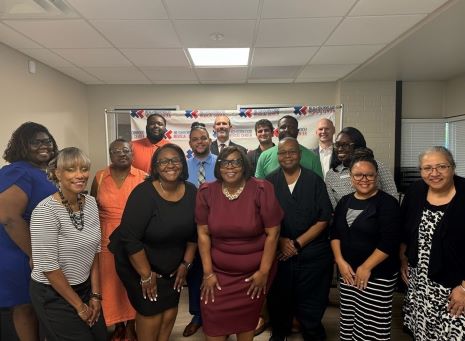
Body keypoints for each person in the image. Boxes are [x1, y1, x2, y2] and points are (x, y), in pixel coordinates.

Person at [109, 143, 197, 341]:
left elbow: (194, 234)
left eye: (175, 160)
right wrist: (146, 275)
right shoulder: (143, 193)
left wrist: (185, 264)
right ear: (155, 167)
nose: (170, 165)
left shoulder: (192, 192)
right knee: (152, 312)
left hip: (171, 263)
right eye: (163, 161)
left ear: (183, 164)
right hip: (136, 262)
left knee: (169, 310)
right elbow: (130, 239)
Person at [196, 146, 283, 340]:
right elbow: (202, 233)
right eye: (225, 162)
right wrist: (208, 273)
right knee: (213, 326)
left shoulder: (262, 189)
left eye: (236, 162)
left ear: (244, 165)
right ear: (218, 166)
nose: (230, 167)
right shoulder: (206, 191)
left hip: (253, 277)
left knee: (245, 328)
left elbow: (273, 233)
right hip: (217, 274)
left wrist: (263, 272)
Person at [29, 147, 106, 341]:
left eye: (84, 169)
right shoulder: (45, 211)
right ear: (57, 173)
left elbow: (95, 252)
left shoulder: (90, 203)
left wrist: (95, 295)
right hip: (53, 293)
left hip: (85, 287)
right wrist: (79, 307)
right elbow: (49, 268)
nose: (80, 175)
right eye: (71, 169)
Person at [266, 137, 333, 341]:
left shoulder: (314, 181)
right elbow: (262, 219)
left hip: (312, 252)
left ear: (300, 154)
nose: (287, 156)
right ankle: (279, 332)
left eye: (292, 152)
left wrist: (296, 243)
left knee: (312, 300)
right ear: (277, 156)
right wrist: (280, 241)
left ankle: (312, 331)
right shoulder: (269, 182)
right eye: (282, 152)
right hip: (279, 251)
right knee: (278, 298)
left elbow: (324, 219)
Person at [330, 148, 401, 341]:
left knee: (372, 324)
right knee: (349, 320)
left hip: (377, 276)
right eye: (358, 175)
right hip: (347, 274)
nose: (364, 179)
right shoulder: (344, 202)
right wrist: (340, 262)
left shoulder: (387, 204)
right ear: (351, 178)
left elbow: (390, 241)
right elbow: (335, 233)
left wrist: (365, 267)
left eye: (369, 175)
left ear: (376, 176)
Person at [0, 122, 58, 341]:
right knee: (24, 306)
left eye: (47, 141)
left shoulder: (42, 172)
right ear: (23, 146)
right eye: (36, 142)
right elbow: (8, 217)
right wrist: (36, 254)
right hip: (19, 251)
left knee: (35, 307)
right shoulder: (17, 171)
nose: (44, 146)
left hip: (34, 250)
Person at [400, 146, 465, 340]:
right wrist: (403, 259)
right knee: (424, 331)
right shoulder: (416, 190)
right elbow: (405, 230)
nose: (434, 173)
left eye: (441, 167)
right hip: (421, 282)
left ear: (453, 167)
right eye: (427, 168)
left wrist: (463, 288)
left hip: (455, 286)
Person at [90, 139, 146, 340]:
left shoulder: (143, 177)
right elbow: (92, 208)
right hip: (106, 238)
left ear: (132, 153)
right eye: (116, 151)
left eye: (125, 150)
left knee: (131, 283)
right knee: (111, 284)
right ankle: (118, 325)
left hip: (134, 237)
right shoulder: (100, 176)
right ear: (110, 154)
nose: (121, 154)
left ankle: (131, 325)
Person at [183, 122, 217, 337]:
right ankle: (198, 315)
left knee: (217, 270)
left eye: (203, 138)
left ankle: (216, 313)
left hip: (217, 226)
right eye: (195, 139)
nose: (200, 142)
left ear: (210, 140)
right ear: (190, 143)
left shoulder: (222, 163)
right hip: (190, 227)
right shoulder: (183, 166)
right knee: (195, 272)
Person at [325, 127, 398, 209]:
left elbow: (392, 197)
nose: (340, 149)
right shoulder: (331, 175)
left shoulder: (377, 166)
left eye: (345, 145)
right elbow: (335, 208)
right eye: (337, 145)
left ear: (357, 145)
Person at [255, 115, 322, 179]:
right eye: (283, 127)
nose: (287, 130)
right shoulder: (264, 156)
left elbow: (318, 187)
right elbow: (259, 187)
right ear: (277, 132)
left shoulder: (313, 157)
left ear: (297, 132)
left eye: (291, 127)